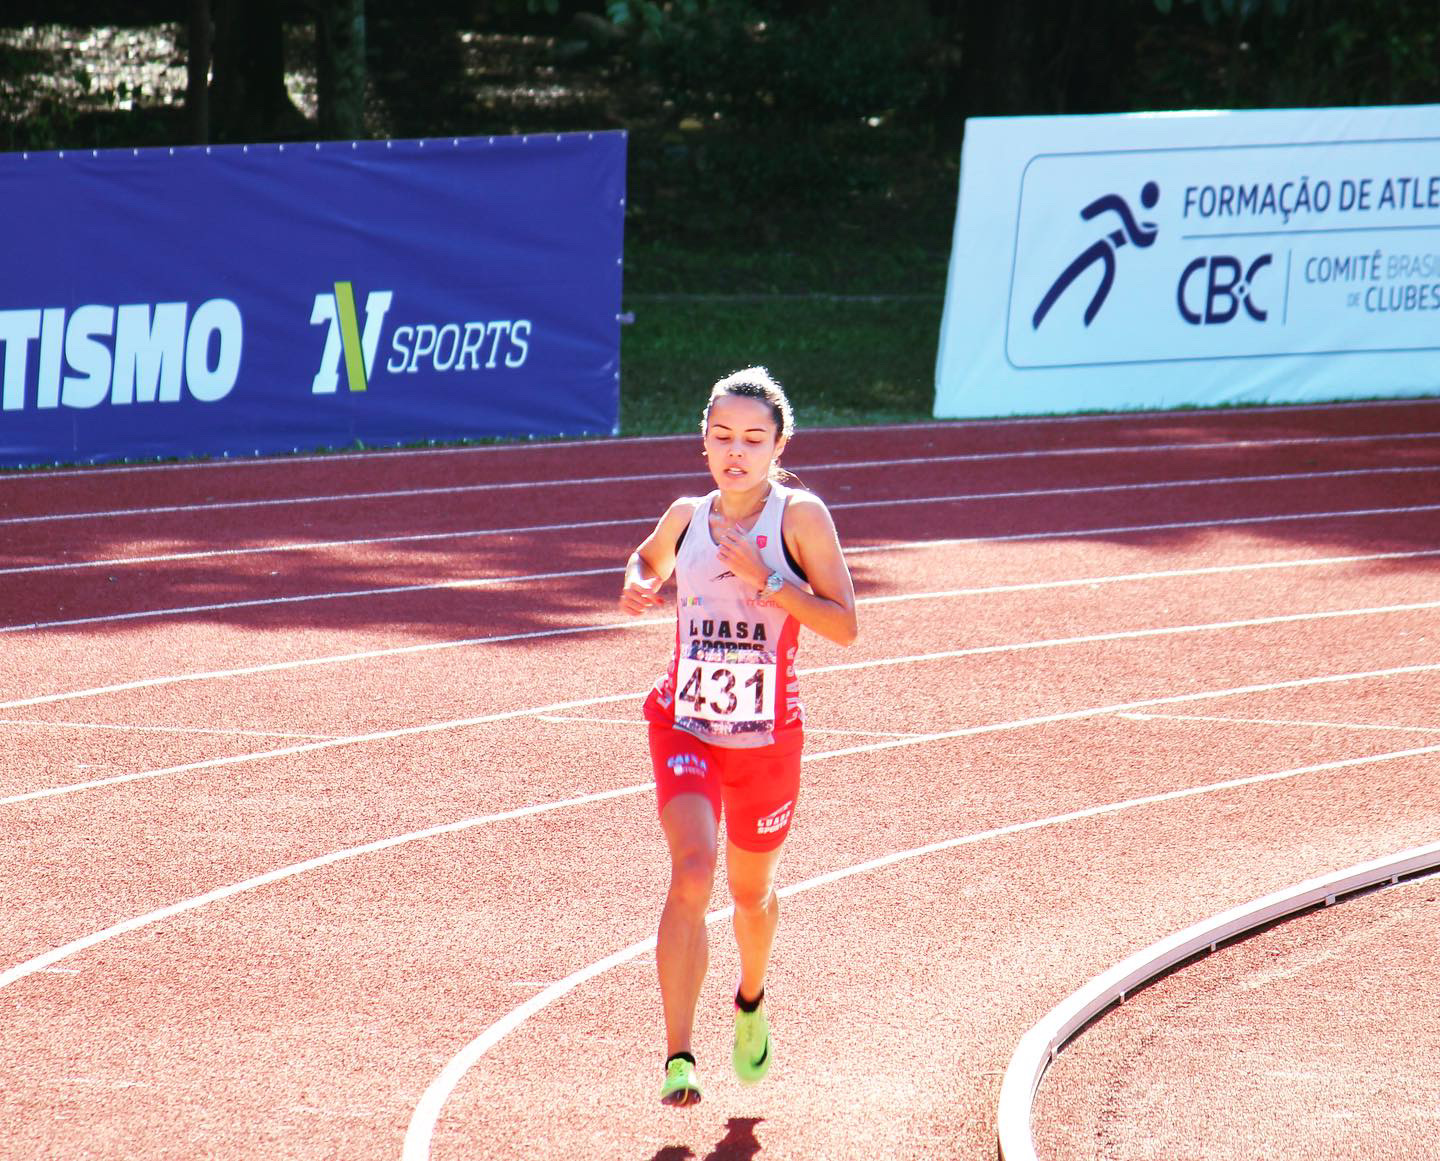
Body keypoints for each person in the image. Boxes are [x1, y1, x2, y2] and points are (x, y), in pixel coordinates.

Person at [618, 367, 859, 1106]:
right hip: (683, 721)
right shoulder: (687, 515)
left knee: (750, 895)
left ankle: (750, 999)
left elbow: (845, 623)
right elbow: (647, 558)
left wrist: (768, 580)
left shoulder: (799, 518)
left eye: (754, 438)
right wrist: (637, 580)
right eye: (722, 435)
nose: (736, 450)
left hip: (766, 743)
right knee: (693, 866)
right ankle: (678, 1056)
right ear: (703, 439)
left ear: (779, 444)